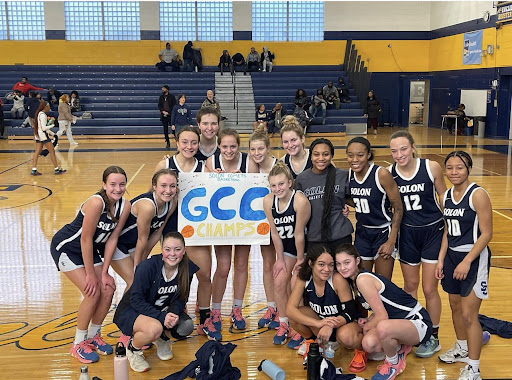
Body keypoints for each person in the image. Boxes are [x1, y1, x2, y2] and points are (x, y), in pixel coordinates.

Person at [50, 166, 130, 363]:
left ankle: (94, 335)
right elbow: (85, 239)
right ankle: (77, 344)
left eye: (121, 184)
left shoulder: (124, 206)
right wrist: (91, 275)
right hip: (68, 248)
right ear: (103, 185)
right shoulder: (96, 203)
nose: (117, 189)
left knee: (109, 287)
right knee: (92, 291)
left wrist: (104, 272)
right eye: (112, 184)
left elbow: (112, 239)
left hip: (89, 250)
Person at [336, 244, 433, 380]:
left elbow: (383, 316)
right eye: (338, 264)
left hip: (417, 320)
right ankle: (401, 347)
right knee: (369, 344)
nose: (342, 268)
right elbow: (384, 307)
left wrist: (368, 327)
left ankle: (393, 363)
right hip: (399, 323)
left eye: (347, 262)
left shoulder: (363, 279)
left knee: (381, 327)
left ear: (357, 261)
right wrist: (369, 321)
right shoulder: (355, 281)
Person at [389, 130, 446, 358]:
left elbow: (446, 198)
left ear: (413, 147)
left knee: (430, 288)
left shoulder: (431, 167)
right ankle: (412, 331)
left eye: (403, 149)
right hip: (408, 235)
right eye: (394, 150)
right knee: (409, 287)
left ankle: (433, 336)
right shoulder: (389, 174)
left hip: (433, 231)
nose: (399, 154)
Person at [435, 151, 492, 380]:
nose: (454, 172)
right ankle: (462, 347)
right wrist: (441, 259)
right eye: (449, 168)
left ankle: (474, 368)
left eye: (459, 167)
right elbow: (448, 230)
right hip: (451, 258)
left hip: (474, 258)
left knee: (470, 315)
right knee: (455, 308)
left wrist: (467, 261)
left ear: (468, 168)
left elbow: (487, 234)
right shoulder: (446, 196)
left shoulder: (478, 194)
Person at [113, 232, 198, 372]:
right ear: (162, 250)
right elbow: (136, 300)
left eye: (177, 249)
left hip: (159, 311)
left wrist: (173, 313)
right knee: (155, 328)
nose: (172, 254)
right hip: (133, 310)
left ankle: (162, 338)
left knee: (186, 326)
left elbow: (181, 298)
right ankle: (133, 349)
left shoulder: (187, 268)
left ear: (184, 250)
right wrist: (162, 317)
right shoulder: (148, 267)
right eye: (167, 249)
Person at [205, 128, 258, 338]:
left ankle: (237, 308)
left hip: (243, 221)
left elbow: (255, 188)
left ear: (239, 146)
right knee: (223, 266)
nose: (229, 150)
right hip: (223, 222)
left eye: (233, 146)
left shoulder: (248, 163)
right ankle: (215, 310)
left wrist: (242, 179)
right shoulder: (211, 162)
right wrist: (215, 179)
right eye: (225, 146)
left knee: (242, 265)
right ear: (219, 146)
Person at [103, 168, 178, 299]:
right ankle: (124, 315)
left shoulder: (172, 203)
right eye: (163, 186)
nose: (168, 190)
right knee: (134, 282)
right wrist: (139, 266)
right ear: (154, 186)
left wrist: (143, 259)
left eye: (172, 186)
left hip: (133, 244)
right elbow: (142, 238)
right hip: (117, 244)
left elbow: (157, 232)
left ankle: (135, 314)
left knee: (144, 281)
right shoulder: (147, 206)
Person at [263, 162, 311, 346]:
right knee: (279, 280)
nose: (277, 188)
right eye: (273, 185)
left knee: (295, 283)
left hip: (305, 249)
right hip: (288, 248)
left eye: (281, 184)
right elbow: (274, 233)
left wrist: (300, 261)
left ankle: (299, 326)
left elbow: (299, 233)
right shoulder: (268, 201)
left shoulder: (299, 200)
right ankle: (284, 323)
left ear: (290, 183)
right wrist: (280, 259)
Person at [286, 245, 361, 361]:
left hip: (342, 323)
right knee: (295, 317)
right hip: (321, 324)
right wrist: (317, 323)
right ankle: (312, 343)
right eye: (321, 264)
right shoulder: (303, 278)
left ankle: (361, 350)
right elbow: (290, 309)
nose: (327, 269)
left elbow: (350, 311)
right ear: (311, 263)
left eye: (331, 265)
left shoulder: (337, 279)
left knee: (346, 336)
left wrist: (330, 325)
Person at [346, 137, 403, 280]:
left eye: (360, 155)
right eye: (350, 155)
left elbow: (398, 208)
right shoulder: (348, 175)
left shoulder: (381, 174)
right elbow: (351, 198)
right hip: (362, 232)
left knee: (382, 284)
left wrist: (391, 241)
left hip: (383, 232)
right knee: (361, 281)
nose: (355, 159)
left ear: (368, 155)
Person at [296, 138, 353, 253]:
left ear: (332, 156)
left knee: (343, 270)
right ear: (311, 156)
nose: (321, 158)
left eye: (325, 154)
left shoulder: (343, 175)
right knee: (318, 271)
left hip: (340, 235)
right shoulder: (301, 179)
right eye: (316, 154)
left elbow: (352, 198)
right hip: (314, 237)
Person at [248, 130, 279, 333]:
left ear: (268, 148)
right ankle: (272, 307)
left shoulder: (280, 166)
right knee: (268, 266)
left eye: (261, 148)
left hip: (284, 223)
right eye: (253, 149)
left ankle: (287, 308)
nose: (257, 152)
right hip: (263, 226)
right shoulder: (251, 169)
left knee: (285, 267)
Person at [31, 101, 66, 176]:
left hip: (38, 135)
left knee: (37, 152)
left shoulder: (39, 114)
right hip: (43, 135)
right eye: (48, 106)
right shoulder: (43, 115)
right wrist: (52, 125)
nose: (49, 108)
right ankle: (56, 169)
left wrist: (53, 134)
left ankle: (33, 169)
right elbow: (44, 128)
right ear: (45, 107)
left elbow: (41, 127)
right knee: (52, 151)